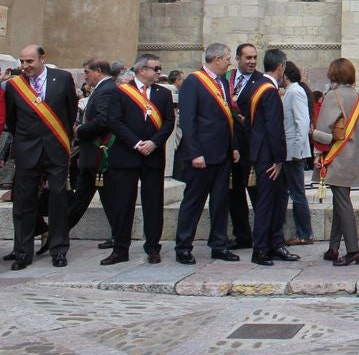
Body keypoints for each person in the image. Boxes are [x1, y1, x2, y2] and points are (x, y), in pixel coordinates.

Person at [5, 45, 77, 269]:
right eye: (22, 61)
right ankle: (23, 252)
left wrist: (57, 138)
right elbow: (12, 119)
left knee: (57, 199)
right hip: (27, 150)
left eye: (30, 61)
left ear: (42, 59)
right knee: (24, 203)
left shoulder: (63, 79)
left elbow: (70, 112)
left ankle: (58, 249)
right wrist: (26, 141)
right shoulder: (15, 85)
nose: (25, 66)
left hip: (55, 148)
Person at [103, 53, 175, 264]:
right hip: (126, 154)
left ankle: (153, 247)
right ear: (142, 70)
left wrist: (154, 143)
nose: (159, 72)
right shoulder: (121, 92)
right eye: (156, 68)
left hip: (153, 155)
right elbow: (114, 121)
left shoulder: (163, 94)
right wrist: (136, 143)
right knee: (123, 204)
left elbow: (169, 122)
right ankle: (120, 248)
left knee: (153, 203)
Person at [174, 43, 241, 265]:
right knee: (193, 202)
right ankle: (183, 246)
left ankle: (219, 244)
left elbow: (226, 117)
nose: (230, 62)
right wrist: (195, 152)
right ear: (217, 58)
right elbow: (188, 120)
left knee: (220, 202)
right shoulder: (194, 81)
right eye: (228, 58)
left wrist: (232, 146)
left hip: (222, 154)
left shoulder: (222, 81)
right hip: (201, 155)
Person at [239, 49, 297, 266]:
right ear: (281, 66)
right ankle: (261, 248)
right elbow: (274, 128)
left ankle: (274, 243)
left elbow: (243, 109)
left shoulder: (255, 86)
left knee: (274, 200)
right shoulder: (270, 91)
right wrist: (279, 160)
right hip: (269, 157)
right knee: (268, 202)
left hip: (258, 152)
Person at [312, 58, 359, 266]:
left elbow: (325, 129)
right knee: (339, 201)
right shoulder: (356, 96)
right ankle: (333, 247)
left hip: (337, 156)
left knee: (343, 204)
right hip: (353, 156)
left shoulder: (332, 96)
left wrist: (316, 147)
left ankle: (353, 250)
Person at [68, 59, 116, 238]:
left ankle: (118, 237)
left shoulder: (106, 90)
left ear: (98, 71)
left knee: (104, 198)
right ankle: (58, 233)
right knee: (87, 197)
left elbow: (103, 120)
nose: (86, 76)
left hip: (98, 154)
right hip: (93, 155)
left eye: (87, 72)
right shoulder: (104, 89)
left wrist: (79, 131)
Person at [225, 43, 259, 249]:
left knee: (257, 192)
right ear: (238, 58)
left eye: (254, 57)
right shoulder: (225, 80)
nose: (252, 61)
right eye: (248, 58)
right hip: (231, 145)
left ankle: (265, 234)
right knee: (234, 193)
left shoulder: (260, 81)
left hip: (251, 145)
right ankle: (242, 235)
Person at [281, 61, 314, 246]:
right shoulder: (291, 92)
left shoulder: (295, 92)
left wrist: (296, 150)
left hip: (294, 151)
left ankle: (305, 233)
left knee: (297, 193)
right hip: (291, 150)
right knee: (292, 191)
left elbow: (302, 122)